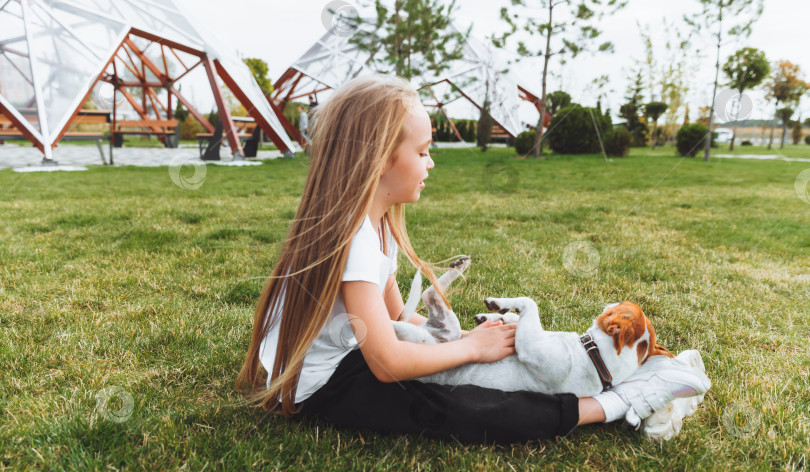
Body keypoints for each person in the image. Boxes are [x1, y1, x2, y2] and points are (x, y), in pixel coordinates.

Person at [235, 74, 710, 444]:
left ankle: (606, 375)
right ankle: (613, 403)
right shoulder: (355, 238)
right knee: (461, 408)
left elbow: (399, 315)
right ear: (380, 159)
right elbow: (386, 363)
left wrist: (468, 336)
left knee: (483, 373)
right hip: (324, 385)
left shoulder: (374, 221)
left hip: (349, 354)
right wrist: (472, 350)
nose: (431, 163)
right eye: (422, 152)